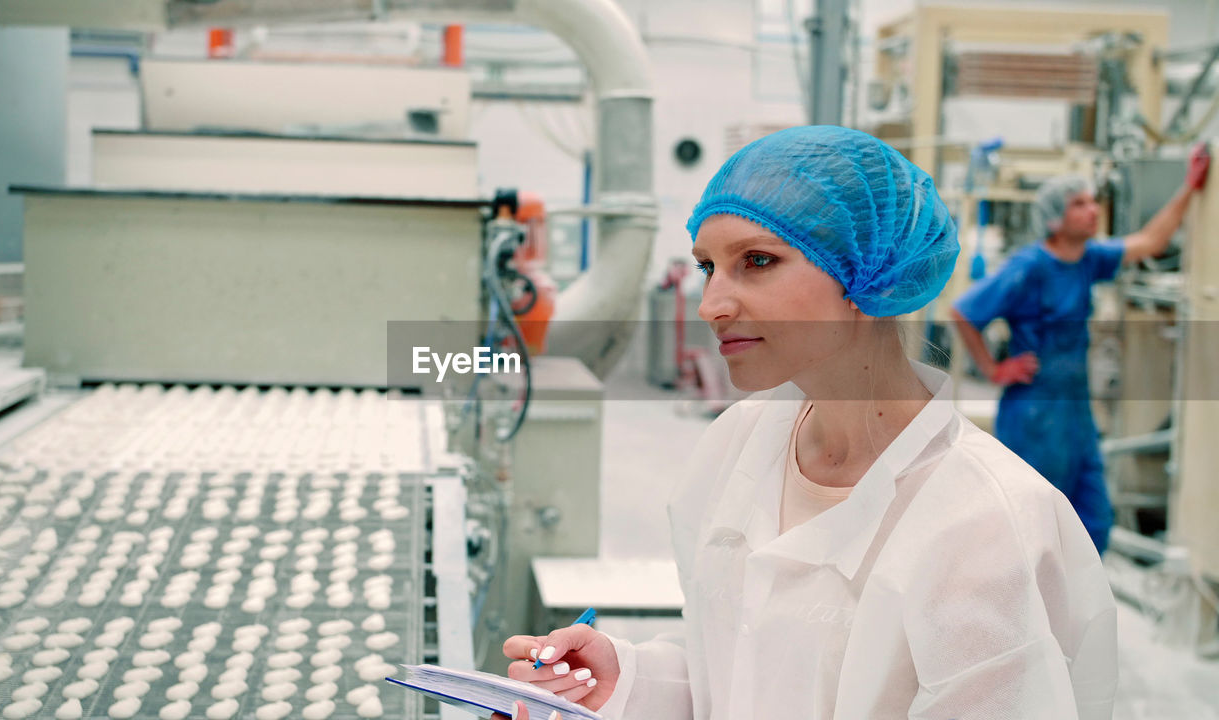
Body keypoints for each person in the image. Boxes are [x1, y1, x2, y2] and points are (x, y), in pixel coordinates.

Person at [495, 126, 1118, 720]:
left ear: (865, 273)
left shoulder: (984, 524)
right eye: (709, 266)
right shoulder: (736, 445)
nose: (712, 305)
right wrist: (629, 684)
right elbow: (748, 671)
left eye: (758, 261)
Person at [951, 146, 1210, 555]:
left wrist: (1190, 187)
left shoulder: (1089, 259)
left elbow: (1151, 241)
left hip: (1075, 412)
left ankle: (1077, 615)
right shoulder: (1029, 267)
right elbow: (964, 312)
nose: (1093, 210)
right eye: (1079, 204)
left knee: (1092, 523)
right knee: (1031, 528)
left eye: (1092, 201)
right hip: (1034, 412)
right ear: (1054, 219)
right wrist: (993, 369)